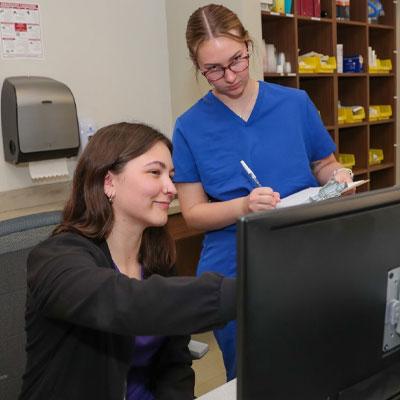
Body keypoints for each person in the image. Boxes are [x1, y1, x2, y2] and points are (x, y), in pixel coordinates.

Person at [172, 4, 353, 381]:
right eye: (214, 70)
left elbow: (323, 164)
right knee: (252, 372)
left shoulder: (294, 104)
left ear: (249, 46)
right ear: (197, 66)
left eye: (237, 60)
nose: (230, 76)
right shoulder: (189, 126)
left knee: (316, 359)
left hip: (305, 250)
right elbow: (192, 212)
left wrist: (338, 176)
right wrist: (243, 206)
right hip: (233, 264)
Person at [19, 122, 236, 400]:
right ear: (108, 182)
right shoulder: (54, 258)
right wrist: (241, 293)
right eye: (155, 173)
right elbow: (126, 303)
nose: (170, 188)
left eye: (171, 175)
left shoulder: (157, 259)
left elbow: (175, 362)